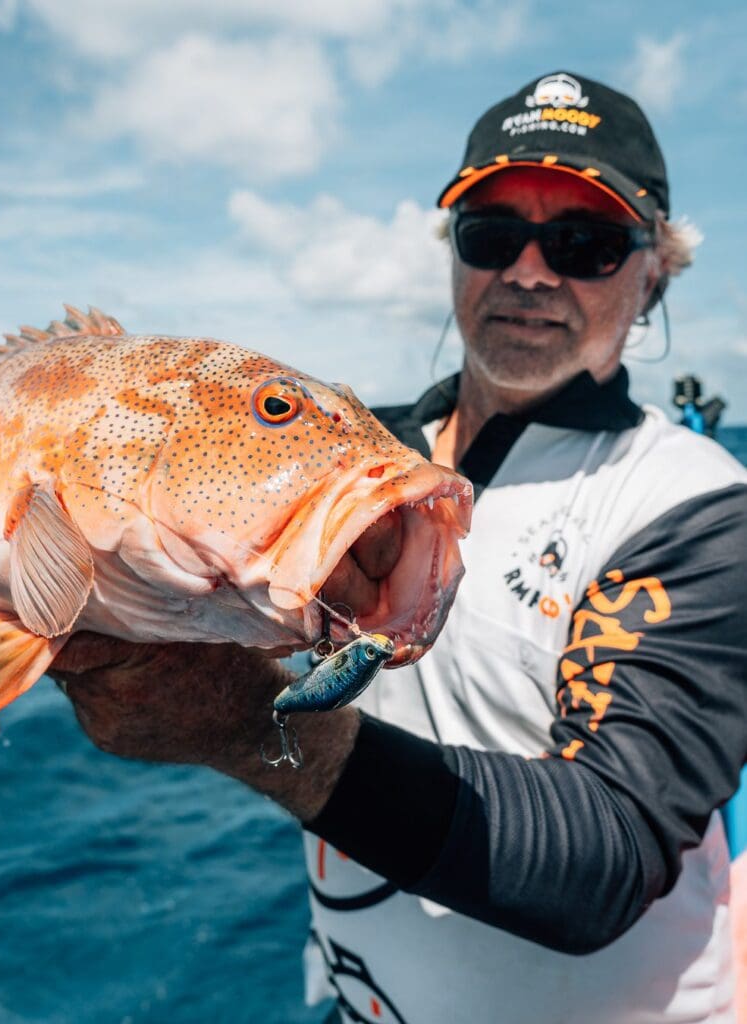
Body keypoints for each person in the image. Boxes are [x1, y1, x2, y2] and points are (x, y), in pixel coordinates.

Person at [51, 71, 747, 1023]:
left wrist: (250, 729)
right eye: (492, 234)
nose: (530, 272)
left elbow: (612, 850)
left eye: (584, 243)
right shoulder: (337, 455)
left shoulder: (698, 503)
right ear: (454, 254)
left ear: (656, 268)